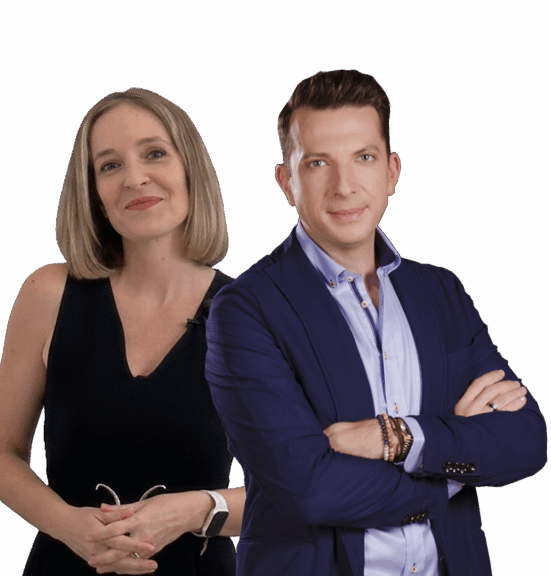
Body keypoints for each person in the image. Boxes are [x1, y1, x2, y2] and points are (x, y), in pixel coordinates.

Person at [205, 69, 547, 576]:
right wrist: (452, 464)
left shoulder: (441, 292)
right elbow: (312, 489)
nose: (344, 186)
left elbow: (525, 440)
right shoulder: (245, 308)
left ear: (391, 172)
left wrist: (398, 438)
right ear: (287, 182)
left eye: (363, 158)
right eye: (318, 163)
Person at [0, 88, 244, 575]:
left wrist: (195, 511)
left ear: (191, 169)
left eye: (155, 153)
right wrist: (67, 525)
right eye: (109, 165)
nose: (134, 178)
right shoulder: (48, 295)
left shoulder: (254, 315)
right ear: (95, 195)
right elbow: (1, 455)